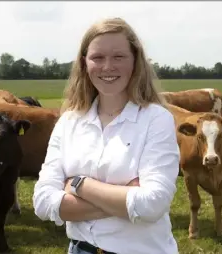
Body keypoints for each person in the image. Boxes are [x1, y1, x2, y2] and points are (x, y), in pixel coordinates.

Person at [32, 17, 180, 254]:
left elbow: (153, 204)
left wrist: (79, 184)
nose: (107, 66)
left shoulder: (156, 119)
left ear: (135, 62)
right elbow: (42, 202)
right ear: (84, 63)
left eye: (119, 57)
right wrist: (124, 198)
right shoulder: (69, 122)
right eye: (97, 57)